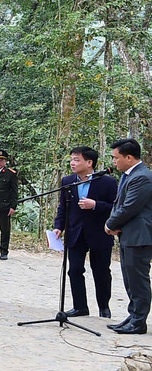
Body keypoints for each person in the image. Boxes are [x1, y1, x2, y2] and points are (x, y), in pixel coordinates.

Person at [54, 146, 118, 319]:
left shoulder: (108, 182)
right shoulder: (68, 181)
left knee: (101, 271)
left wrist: (95, 205)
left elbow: (115, 208)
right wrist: (59, 225)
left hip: (99, 233)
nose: (72, 163)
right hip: (75, 232)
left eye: (77, 160)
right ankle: (80, 306)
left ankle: (104, 307)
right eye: (72, 159)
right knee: (74, 270)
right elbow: (63, 207)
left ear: (89, 163)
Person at [105, 139, 152, 335]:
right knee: (129, 278)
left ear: (129, 157)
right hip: (128, 235)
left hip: (139, 236)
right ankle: (133, 316)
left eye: (116, 158)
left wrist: (110, 224)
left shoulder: (142, 177)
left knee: (138, 279)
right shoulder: (130, 175)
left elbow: (129, 207)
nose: (114, 161)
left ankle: (139, 321)